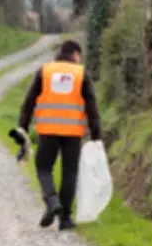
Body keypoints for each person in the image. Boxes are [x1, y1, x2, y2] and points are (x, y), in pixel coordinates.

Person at [13, 40, 102, 231]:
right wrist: (96, 137)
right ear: (75, 55)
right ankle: (65, 219)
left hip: (47, 132)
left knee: (43, 168)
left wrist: (23, 129)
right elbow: (92, 109)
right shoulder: (81, 74)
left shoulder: (44, 72)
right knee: (70, 172)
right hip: (73, 133)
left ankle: (52, 202)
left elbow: (27, 104)